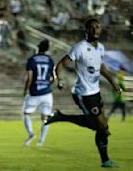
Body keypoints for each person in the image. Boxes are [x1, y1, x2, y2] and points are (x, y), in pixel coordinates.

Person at [46, 18, 121, 168]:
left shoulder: (100, 47)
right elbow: (61, 64)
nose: (96, 30)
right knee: (102, 127)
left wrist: (113, 83)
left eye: (98, 27)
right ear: (86, 31)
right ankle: (105, 160)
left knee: (98, 127)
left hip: (96, 92)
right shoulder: (79, 48)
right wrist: (58, 79)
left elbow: (101, 67)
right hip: (83, 94)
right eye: (93, 27)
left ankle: (61, 116)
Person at [22, 39, 54, 147]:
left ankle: (31, 134)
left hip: (34, 93)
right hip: (47, 93)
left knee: (27, 114)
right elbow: (53, 78)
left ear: (38, 48)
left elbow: (29, 78)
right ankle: (41, 142)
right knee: (45, 118)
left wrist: (25, 90)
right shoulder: (50, 60)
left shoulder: (32, 60)